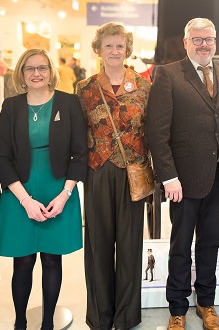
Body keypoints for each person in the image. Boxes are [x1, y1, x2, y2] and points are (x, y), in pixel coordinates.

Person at [145, 17, 219, 330]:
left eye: (209, 39)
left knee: (210, 242)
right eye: (197, 39)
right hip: (183, 180)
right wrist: (168, 176)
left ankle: (206, 303)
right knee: (181, 245)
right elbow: (157, 132)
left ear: (216, 41)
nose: (204, 45)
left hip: (218, 174)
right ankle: (177, 308)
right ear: (186, 42)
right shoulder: (169, 74)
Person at [0, 48, 87, 330]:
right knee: (22, 262)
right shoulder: (11, 106)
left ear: (51, 72)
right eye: (30, 68)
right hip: (19, 192)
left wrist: (65, 194)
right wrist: (25, 200)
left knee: (51, 258)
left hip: (58, 189)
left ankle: (48, 322)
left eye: (42, 68)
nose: (37, 73)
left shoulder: (69, 103)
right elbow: (1, 156)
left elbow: (80, 153)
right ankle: (20, 322)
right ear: (21, 74)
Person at [75, 22, 151, 330]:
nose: (115, 51)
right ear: (98, 50)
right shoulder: (85, 88)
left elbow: (155, 132)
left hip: (133, 172)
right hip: (97, 172)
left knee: (131, 245)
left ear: (127, 49)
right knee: (98, 245)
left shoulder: (145, 87)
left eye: (120, 45)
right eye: (109, 45)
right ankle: (100, 315)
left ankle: (127, 316)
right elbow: (77, 134)